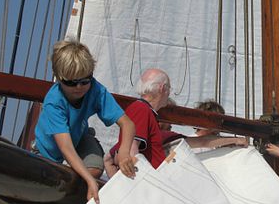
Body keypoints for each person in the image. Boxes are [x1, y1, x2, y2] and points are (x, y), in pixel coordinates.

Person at [1, 40, 136, 204]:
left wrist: (124, 152)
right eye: (72, 83)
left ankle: (69, 199)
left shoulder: (96, 89)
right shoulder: (54, 101)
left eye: (85, 81)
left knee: (93, 169)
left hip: (80, 137)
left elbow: (127, 123)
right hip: (50, 149)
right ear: (58, 78)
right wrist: (90, 182)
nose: (80, 88)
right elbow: (64, 148)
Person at [105, 71, 248, 177]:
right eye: (169, 89)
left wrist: (234, 140)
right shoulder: (141, 109)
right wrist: (142, 182)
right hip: (150, 184)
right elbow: (132, 149)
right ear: (162, 88)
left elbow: (200, 141)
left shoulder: (145, 112)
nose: (169, 93)